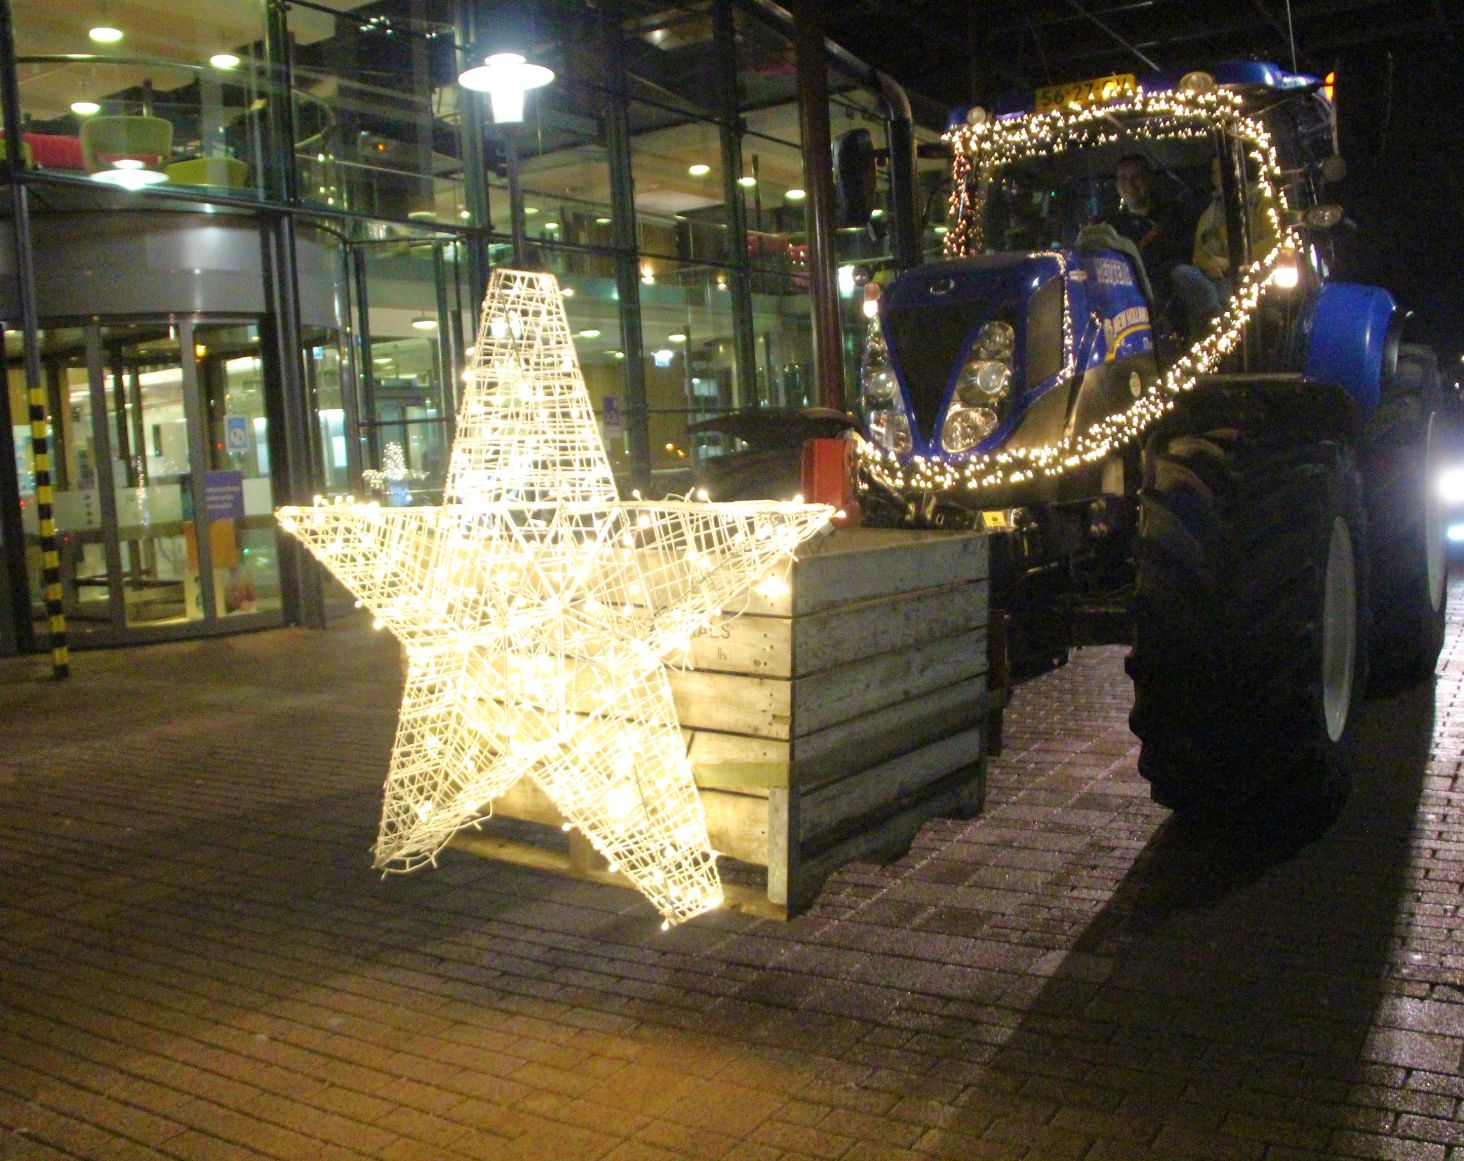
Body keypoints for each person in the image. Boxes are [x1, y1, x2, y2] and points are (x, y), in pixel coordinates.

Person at [1171, 155, 1280, 337]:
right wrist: (1211, 265)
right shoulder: (1208, 213)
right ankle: (1216, 317)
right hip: (1214, 278)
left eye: (1223, 170)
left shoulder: (1262, 201)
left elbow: (1274, 242)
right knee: (1181, 273)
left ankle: (1218, 328)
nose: (1218, 176)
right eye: (1215, 172)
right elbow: (1198, 256)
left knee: (1224, 298)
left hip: (1249, 277)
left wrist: (1231, 262)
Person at [1098, 153, 1192, 293]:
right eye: (1123, 178)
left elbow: (1180, 264)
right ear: (1117, 184)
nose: (1130, 184)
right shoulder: (1110, 226)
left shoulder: (1173, 217)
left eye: (1136, 177)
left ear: (1149, 179)